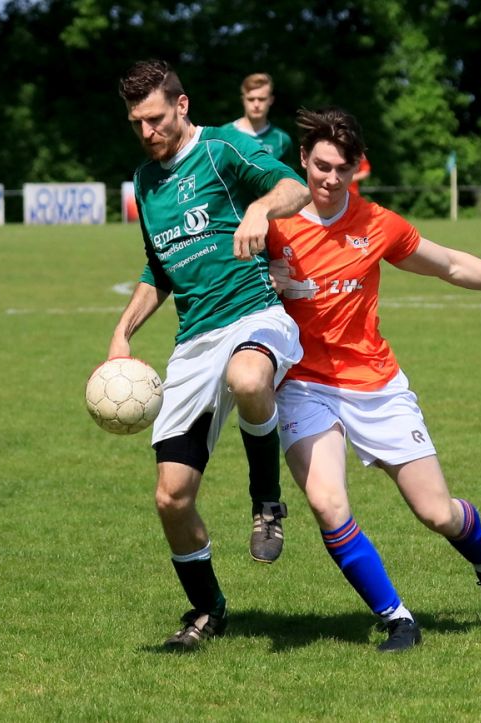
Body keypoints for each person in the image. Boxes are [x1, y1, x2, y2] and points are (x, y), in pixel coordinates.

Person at [267, 107, 481, 651]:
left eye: (341, 168)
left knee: (437, 512)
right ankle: (397, 618)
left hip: (376, 384)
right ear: (302, 162)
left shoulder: (377, 224)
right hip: (304, 386)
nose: (329, 179)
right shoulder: (274, 225)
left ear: (357, 168)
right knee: (326, 503)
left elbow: (451, 265)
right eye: (320, 167)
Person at [111, 59, 310, 651]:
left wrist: (257, 209)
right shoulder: (146, 182)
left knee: (249, 378)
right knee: (171, 497)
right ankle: (207, 608)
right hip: (193, 342)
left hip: (254, 314)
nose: (147, 132)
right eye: (136, 123)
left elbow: (293, 189)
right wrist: (123, 332)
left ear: (182, 105)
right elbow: (159, 267)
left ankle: (266, 502)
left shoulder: (222, 150)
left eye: (154, 118)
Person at [226, 73, 294, 164]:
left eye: (261, 99)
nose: (256, 105)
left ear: (271, 100)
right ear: (243, 100)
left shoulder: (282, 140)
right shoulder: (224, 133)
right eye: (251, 99)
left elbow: (287, 176)